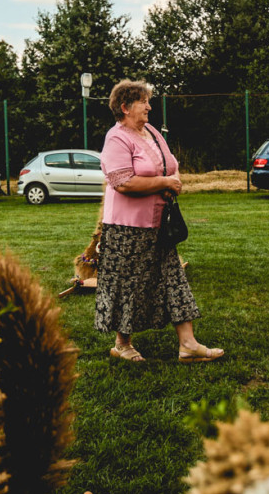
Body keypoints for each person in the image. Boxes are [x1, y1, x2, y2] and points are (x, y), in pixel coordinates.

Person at [94, 79, 224, 363]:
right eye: (144, 102)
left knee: (173, 278)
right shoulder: (117, 138)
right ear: (126, 107)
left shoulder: (150, 131)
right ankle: (122, 343)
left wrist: (172, 180)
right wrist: (164, 181)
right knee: (128, 284)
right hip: (127, 227)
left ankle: (188, 345)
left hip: (159, 222)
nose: (150, 107)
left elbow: (169, 164)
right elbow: (123, 182)